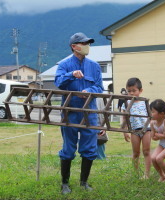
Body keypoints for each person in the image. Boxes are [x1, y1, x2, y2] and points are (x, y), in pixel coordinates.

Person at [54, 32, 103, 194]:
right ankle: (65, 184)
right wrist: (71, 74)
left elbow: (99, 87)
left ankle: (84, 182)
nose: (87, 46)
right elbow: (59, 83)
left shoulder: (94, 66)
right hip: (71, 111)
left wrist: (88, 90)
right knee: (68, 147)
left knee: (89, 148)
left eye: (88, 43)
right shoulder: (64, 64)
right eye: (84, 43)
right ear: (74, 46)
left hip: (89, 112)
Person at [122, 77, 151, 179]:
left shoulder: (145, 102)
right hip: (134, 130)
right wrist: (125, 132)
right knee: (136, 153)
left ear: (140, 91)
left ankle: (146, 174)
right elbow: (124, 118)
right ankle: (136, 173)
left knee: (146, 151)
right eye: (129, 91)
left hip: (146, 129)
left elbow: (151, 116)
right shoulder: (126, 104)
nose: (132, 93)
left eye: (134, 91)